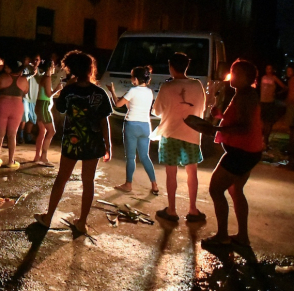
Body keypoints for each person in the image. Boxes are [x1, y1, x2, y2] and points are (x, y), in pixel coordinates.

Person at [34, 50, 112, 234]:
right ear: (90, 69)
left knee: (62, 178)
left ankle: (48, 217)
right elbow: (104, 121)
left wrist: (67, 88)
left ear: (72, 70)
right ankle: (82, 222)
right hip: (93, 143)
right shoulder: (99, 93)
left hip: (71, 142)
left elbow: (60, 109)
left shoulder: (69, 90)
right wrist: (108, 145)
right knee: (88, 181)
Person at [201, 60, 263, 247]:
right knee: (235, 190)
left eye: (235, 72)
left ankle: (222, 235)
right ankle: (242, 236)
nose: (231, 75)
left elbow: (244, 127)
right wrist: (221, 116)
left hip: (241, 153)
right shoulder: (243, 94)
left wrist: (216, 129)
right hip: (249, 151)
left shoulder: (245, 97)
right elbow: (239, 121)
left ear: (245, 77)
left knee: (215, 189)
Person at [152, 53, 206, 222]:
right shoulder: (197, 85)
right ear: (186, 67)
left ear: (171, 67)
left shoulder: (167, 87)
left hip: (170, 133)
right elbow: (202, 109)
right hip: (191, 133)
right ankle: (193, 209)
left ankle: (172, 210)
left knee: (171, 173)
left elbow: (157, 111)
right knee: (192, 172)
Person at [107, 66, 158, 195]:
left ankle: (128, 184)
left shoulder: (133, 90)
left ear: (135, 79)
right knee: (145, 156)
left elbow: (118, 104)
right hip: (145, 126)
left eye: (131, 77)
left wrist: (112, 91)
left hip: (132, 125)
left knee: (130, 157)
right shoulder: (149, 92)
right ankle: (154, 185)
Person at [0, 60, 29, 168]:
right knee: (12, 135)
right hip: (17, 106)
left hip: (3, 104)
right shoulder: (24, 80)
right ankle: (11, 161)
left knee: (0, 133)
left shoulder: (3, 77)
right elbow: (26, 91)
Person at [33, 61, 63, 166]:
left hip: (41, 105)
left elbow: (46, 93)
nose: (54, 67)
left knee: (42, 131)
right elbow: (48, 94)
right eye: (53, 65)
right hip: (44, 107)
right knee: (51, 131)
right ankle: (43, 157)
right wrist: (57, 89)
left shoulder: (44, 78)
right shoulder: (47, 78)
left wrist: (55, 91)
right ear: (49, 68)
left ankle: (37, 156)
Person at [259, 64, 286, 148]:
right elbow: (261, 88)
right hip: (262, 102)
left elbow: (285, 87)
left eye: (270, 68)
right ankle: (261, 140)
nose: (268, 70)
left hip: (270, 102)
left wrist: (277, 94)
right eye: (267, 68)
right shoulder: (263, 77)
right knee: (261, 121)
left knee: (268, 122)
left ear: (272, 70)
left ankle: (266, 140)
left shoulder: (274, 78)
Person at [19, 54, 41, 144]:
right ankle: (20, 136)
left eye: (38, 60)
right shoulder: (25, 69)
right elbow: (23, 78)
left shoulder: (40, 71)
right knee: (24, 117)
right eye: (34, 59)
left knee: (33, 118)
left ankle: (28, 136)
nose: (36, 61)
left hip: (34, 98)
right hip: (26, 97)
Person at [285, 64, 294, 156]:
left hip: (292, 106)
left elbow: (291, 94)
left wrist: (287, 102)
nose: (288, 72)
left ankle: (291, 149)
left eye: (290, 71)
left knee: (292, 128)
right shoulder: (291, 80)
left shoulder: (292, 80)